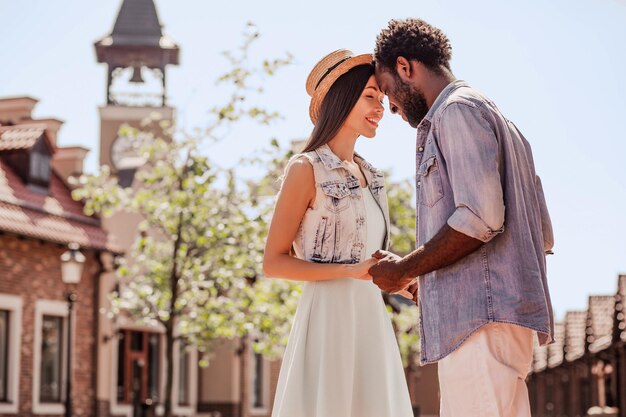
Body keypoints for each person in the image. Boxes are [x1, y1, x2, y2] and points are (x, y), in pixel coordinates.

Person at [368, 18, 555, 417]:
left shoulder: (456, 112)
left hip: (479, 323)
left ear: (405, 67)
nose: (392, 106)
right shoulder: (502, 121)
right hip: (495, 320)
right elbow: (542, 236)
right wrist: (430, 274)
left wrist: (404, 268)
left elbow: (481, 218)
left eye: (387, 91)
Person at [263, 49, 414, 417]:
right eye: (369, 97)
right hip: (327, 318)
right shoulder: (306, 168)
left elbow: (375, 257)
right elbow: (274, 262)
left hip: (370, 319)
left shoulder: (375, 177)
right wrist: (347, 271)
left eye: (381, 98)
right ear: (341, 99)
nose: (380, 107)